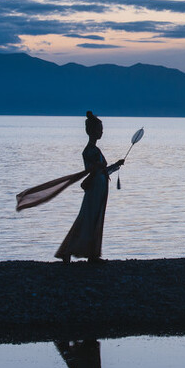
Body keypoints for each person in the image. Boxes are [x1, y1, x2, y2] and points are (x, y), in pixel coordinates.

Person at [55, 111, 123, 263]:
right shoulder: (89, 151)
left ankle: (92, 254)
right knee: (87, 218)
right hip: (95, 189)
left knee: (94, 218)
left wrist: (117, 165)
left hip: (99, 188)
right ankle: (69, 252)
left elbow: (102, 170)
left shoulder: (94, 150)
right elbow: (94, 171)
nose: (102, 132)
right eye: (100, 130)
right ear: (92, 131)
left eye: (102, 130)